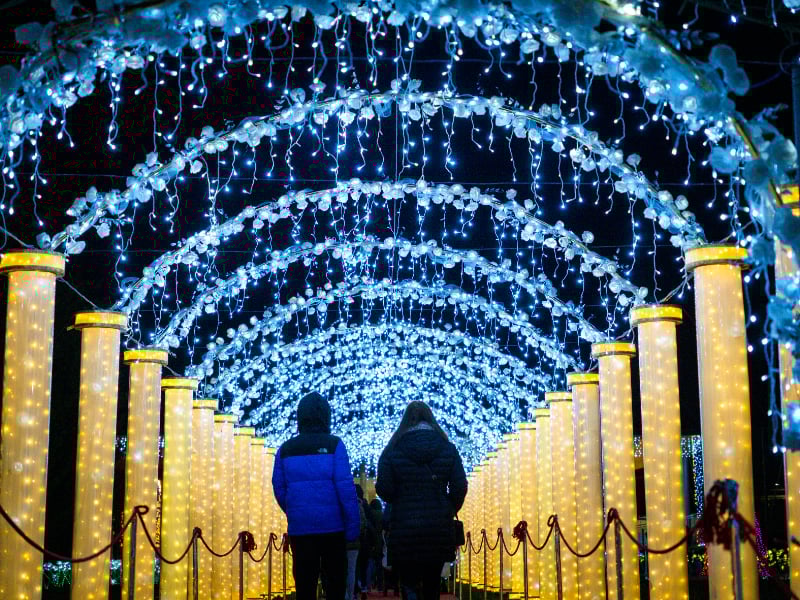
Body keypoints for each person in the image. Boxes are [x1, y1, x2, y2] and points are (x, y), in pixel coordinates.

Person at [272, 392, 361, 600]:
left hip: (301, 529)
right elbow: (346, 490)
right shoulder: (335, 445)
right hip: (333, 528)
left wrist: (295, 509)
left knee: (305, 584)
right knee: (335, 583)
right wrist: (352, 528)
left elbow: (279, 487)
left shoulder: (286, 449)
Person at [376, 401, 468, 600]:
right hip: (437, 527)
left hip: (404, 526)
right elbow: (460, 486)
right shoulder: (447, 448)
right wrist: (447, 508)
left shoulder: (392, 449)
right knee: (432, 582)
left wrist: (399, 500)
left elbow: (383, 487)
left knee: (408, 582)